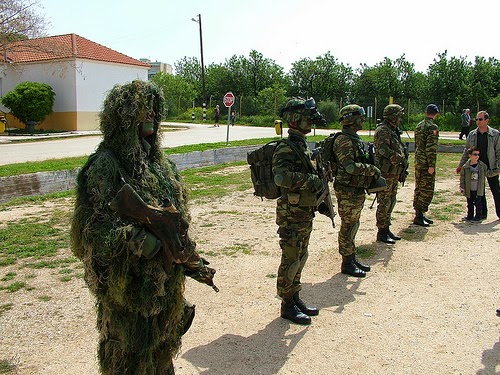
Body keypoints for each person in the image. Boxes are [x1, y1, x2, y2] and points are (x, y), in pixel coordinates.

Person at [70, 80, 217, 374]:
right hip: (128, 293)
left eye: (153, 109)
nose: (150, 115)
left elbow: (177, 221)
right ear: (121, 117)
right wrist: (139, 241)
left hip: (165, 286)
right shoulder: (106, 165)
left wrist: (185, 255)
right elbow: (89, 232)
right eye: (140, 110)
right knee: (128, 359)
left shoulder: (161, 165)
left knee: (162, 354)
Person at [272, 97, 326, 325]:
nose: (310, 121)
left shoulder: (301, 145)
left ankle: (294, 296)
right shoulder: (286, 147)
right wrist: (310, 180)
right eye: (306, 117)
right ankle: (287, 304)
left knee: (301, 256)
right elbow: (280, 177)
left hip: (303, 212)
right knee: (291, 258)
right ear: (295, 120)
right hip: (291, 215)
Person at [332, 104, 380, 277]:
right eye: (359, 117)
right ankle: (346, 262)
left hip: (355, 189)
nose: (362, 120)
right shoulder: (343, 140)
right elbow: (349, 167)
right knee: (348, 226)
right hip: (347, 191)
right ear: (350, 119)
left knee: (354, 224)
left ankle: (351, 257)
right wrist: (371, 169)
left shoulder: (353, 138)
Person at [456, 110, 500, 220]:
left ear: (487, 120)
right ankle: (482, 214)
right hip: (477, 168)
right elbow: (467, 151)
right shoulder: (472, 135)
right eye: (476, 119)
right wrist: (461, 165)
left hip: (491, 167)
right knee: (479, 192)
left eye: (480, 119)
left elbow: (499, 151)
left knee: (496, 191)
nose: (478, 121)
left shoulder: (495, 134)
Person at [374, 104, 408, 244]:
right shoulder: (383, 130)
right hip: (386, 173)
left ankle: (386, 228)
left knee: (391, 200)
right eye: (399, 116)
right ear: (393, 116)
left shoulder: (393, 130)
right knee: (384, 202)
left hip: (394, 173)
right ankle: (381, 231)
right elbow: (382, 150)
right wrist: (398, 158)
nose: (400, 119)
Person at [413, 104, 440, 227]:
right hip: (426, 163)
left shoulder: (419, 126)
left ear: (425, 112)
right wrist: (431, 165)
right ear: (436, 114)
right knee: (427, 189)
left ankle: (419, 213)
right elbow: (431, 148)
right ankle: (419, 215)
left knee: (419, 187)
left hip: (419, 161)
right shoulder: (432, 126)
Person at [459, 147, 490, 221]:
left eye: (478, 154)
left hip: (478, 188)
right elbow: (462, 178)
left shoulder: (482, 166)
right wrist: (462, 187)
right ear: (470, 155)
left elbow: (489, 173)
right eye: (475, 154)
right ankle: (470, 216)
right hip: (469, 188)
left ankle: (478, 216)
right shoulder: (465, 167)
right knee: (469, 204)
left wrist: (497, 171)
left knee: (478, 204)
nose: (477, 156)